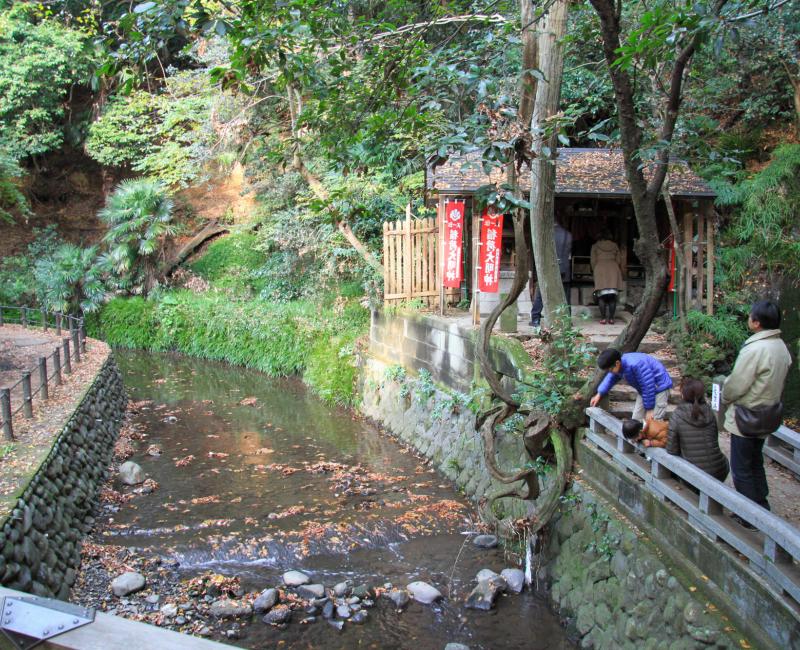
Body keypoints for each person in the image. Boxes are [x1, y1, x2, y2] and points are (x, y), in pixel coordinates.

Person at [722, 300, 792, 511]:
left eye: (751, 316)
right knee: (755, 462)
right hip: (768, 412)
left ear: (757, 322)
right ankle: (762, 504)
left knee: (741, 467)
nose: (749, 318)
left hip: (747, 414)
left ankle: (750, 514)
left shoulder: (756, 349)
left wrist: (725, 397)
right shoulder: (780, 347)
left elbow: (737, 384)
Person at [666, 378, 729, 481]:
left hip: (693, 475)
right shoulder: (710, 412)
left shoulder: (677, 415)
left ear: (683, 394)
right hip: (720, 469)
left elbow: (671, 450)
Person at [590, 348, 673, 421]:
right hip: (645, 391)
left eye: (610, 369)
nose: (610, 372)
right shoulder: (619, 366)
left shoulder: (635, 364)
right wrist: (599, 394)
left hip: (659, 387)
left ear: (617, 363)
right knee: (636, 420)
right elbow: (610, 378)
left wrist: (649, 409)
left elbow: (648, 385)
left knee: (654, 421)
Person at [530, 220, 572, 327]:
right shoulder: (568, 235)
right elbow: (569, 253)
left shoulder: (545, 235)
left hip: (548, 268)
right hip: (564, 269)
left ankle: (536, 319)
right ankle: (567, 320)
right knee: (565, 296)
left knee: (541, 294)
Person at [590, 231, 624, 325]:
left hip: (600, 269)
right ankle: (612, 319)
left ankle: (603, 318)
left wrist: (595, 270)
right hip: (613, 269)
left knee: (601, 296)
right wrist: (614, 266)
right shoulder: (615, 245)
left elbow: (593, 261)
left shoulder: (595, 246)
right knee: (612, 297)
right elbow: (619, 260)